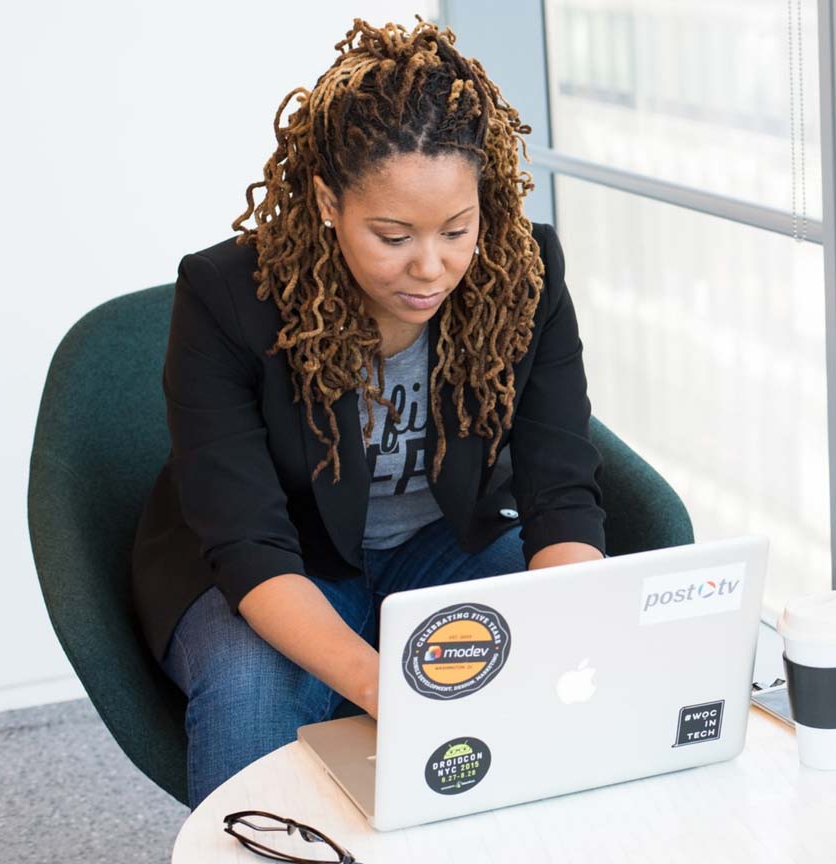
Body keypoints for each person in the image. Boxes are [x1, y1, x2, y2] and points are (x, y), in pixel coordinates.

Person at [130, 17, 606, 810]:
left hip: (439, 547)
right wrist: (388, 686)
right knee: (254, 690)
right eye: (393, 236)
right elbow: (247, 541)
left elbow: (562, 489)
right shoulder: (226, 299)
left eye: (457, 229)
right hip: (282, 564)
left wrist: (570, 632)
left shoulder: (525, 271)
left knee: (564, 666)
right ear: (327, 199)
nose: (432, 266)